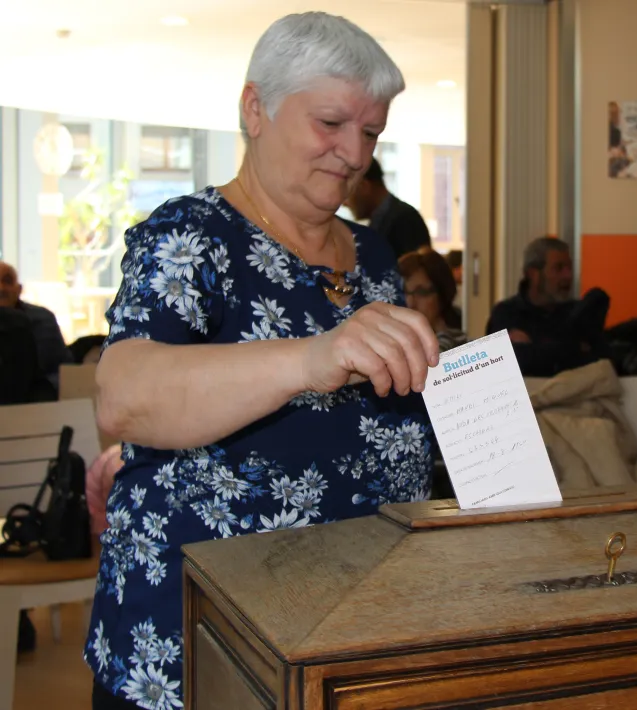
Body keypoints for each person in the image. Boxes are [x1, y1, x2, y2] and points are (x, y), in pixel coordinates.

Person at [84, 14, 440, 710]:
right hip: (201, 641)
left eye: (370, 132)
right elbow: (124, 397)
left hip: (345, 635)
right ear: (256, 108)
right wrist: (313, 356)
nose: (354, 153)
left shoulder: (372, 258)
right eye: (332, 123)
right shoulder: (191, 236)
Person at [486, 237, 610, 377]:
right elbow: (503, 366)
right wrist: (572, 348)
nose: (567, 276)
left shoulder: (576, 312)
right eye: (558, 268)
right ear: (534, 274)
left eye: (569, 268)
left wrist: (533, 346)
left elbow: (598, 361)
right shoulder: (506, 313)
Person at [0, 260, 74, 393]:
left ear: (19, 289)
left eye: (7, 281)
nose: (1, 288)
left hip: (39, 403)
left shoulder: (43, 319)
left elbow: (65, 369)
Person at [344, 158, 431, 258]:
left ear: (364, 186)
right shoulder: (385, 220)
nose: (344, 204)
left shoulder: (404, 220)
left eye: (346, 194)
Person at [397, 247, 466, 352]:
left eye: (421, 292)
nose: (410, 303)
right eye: (403, 292)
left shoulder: (460, 343)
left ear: (442, 294)